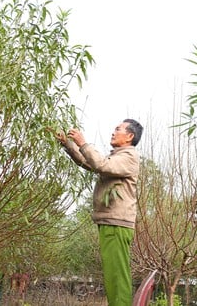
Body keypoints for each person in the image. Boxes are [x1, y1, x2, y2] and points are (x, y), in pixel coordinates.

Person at [57, 119, 143, 306]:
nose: (113, 132)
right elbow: (90, 163)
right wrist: (67, 144)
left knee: (117, 276)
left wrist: (83, 143)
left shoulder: (129, 156)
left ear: (129, 136)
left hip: (117, 223)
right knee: (113, 274)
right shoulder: (119, 157)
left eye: (118, 129)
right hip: (111, 223)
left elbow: (101, 164)